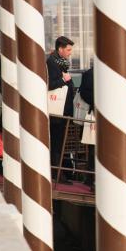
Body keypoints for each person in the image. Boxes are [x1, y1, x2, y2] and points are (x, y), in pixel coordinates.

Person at [47, 36, 75, 183]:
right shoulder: (51, 63)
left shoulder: (60, 62)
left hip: (62, 109)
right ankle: (57, 173)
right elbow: (49, 84)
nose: (70, 53)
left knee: (60, 141)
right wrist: (64, 80)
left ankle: (61, 171)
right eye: (68, 50)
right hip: (57, 110)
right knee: (57, 142)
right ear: (60, 49)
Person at [78, 67, 94, 189]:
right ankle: (90, 178)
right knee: (92, 148)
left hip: (92, 114)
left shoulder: (88, 74)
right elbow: (84, 93)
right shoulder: (89, 74)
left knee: (92, 148)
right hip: (92, 115)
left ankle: (90, 178)